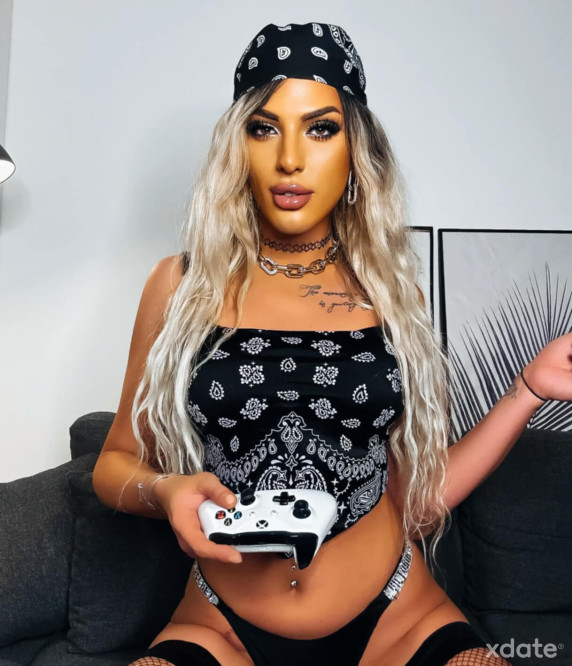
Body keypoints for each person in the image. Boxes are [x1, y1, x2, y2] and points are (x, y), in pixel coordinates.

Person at [92, 22, 572, 666]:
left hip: (398, 621)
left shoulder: (392, 295)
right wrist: (167, 492)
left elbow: (417, 502)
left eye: (320, 129)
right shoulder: (180, 285)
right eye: (264, 129)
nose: (290, 158)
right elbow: (114, 464)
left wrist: (528, 390)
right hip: (222, 627)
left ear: (356, 149)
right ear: (238, 146)